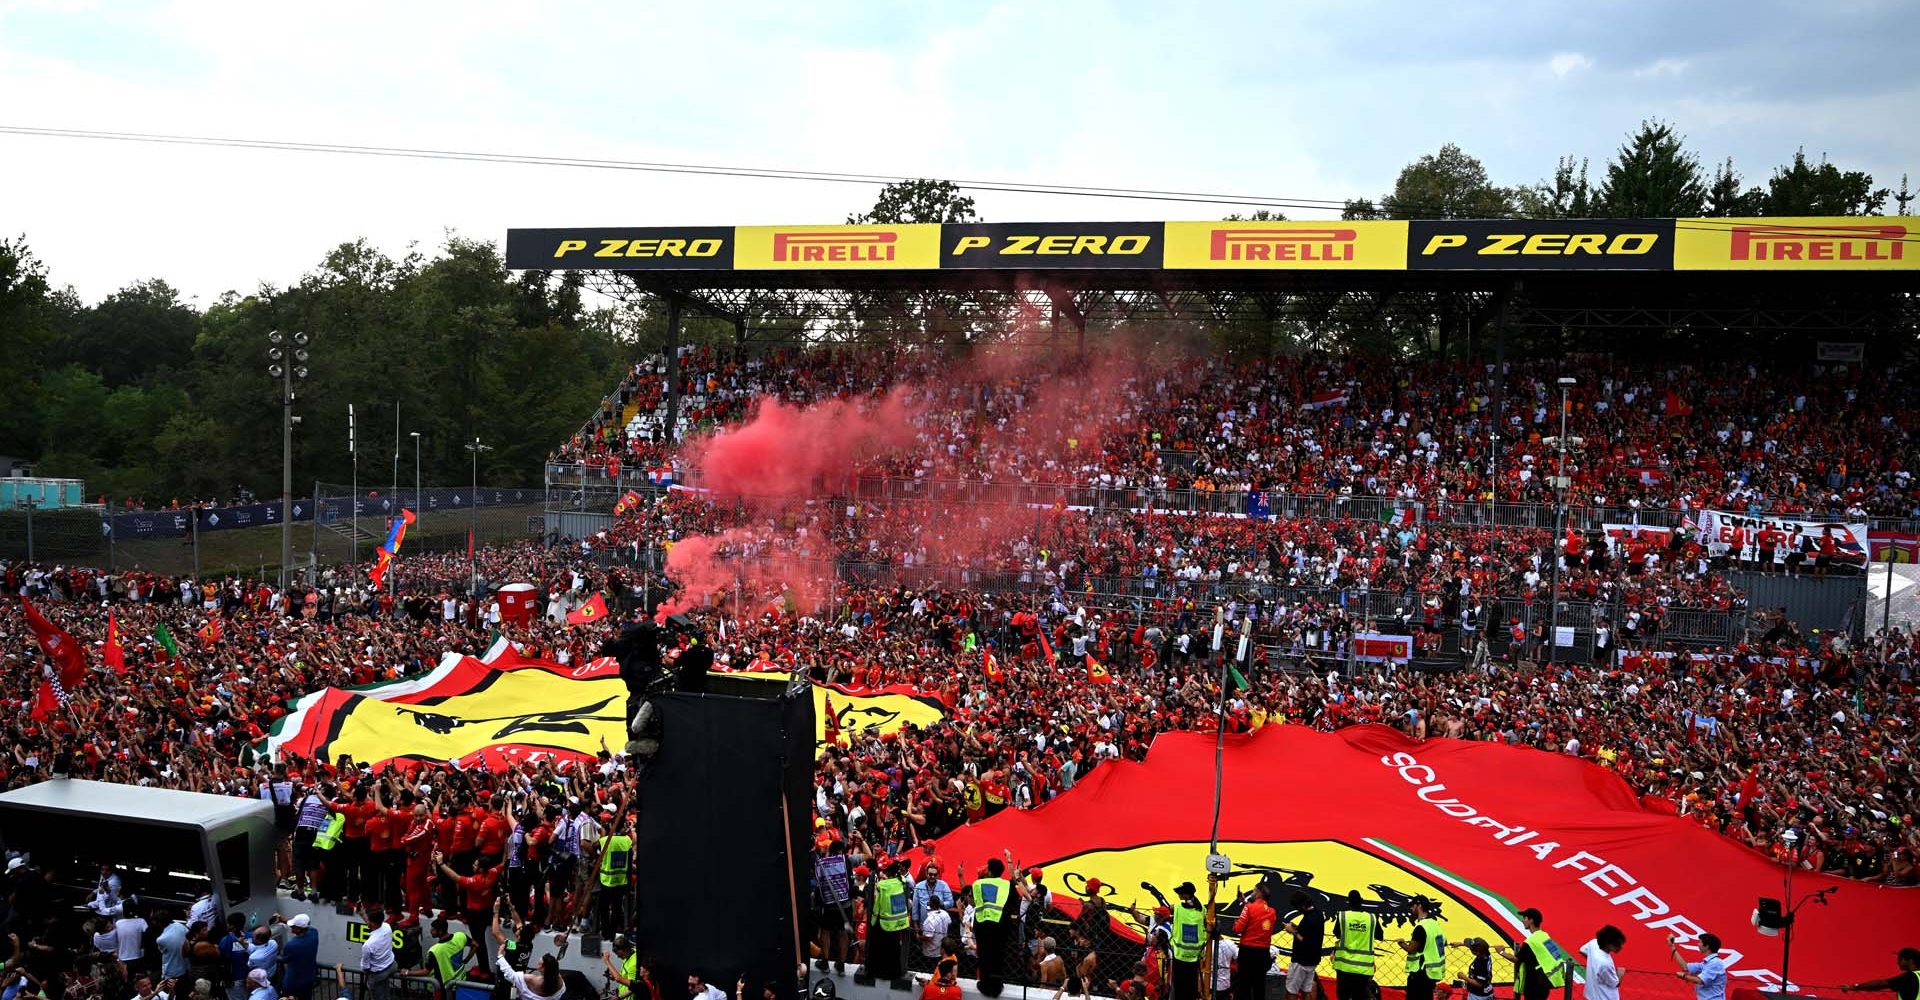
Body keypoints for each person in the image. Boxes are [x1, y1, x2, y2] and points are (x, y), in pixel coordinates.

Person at [861, 856, 911, 988]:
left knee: (877, 949)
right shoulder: (901, 881)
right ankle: (893, 973)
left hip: (884, 923)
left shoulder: (881, 885)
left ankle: (876, 972)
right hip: (898, 923)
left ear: (886, 872)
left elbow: (876, 906)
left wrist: (872, 921)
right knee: (894, 950)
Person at [1497, 909, 1568, 1000]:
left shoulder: (1530, 942)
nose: (1523, 921)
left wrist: (1501, 952)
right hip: (1546, 981)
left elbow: (1516, 959)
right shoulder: (1544, 936)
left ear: (1531, 920)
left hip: (1534, 985)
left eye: (1525, 918)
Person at [972, 857, 1018, 994]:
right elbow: (1014, 901)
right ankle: (997, 985)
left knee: (984, 954)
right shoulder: (1007, 885)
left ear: (990, 871)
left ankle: (985, 983)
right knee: (999, 954)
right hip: (1002, 925)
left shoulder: (978, 884)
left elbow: (976, 902)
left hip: (982, 924)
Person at [404, 916, 472, 1000]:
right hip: (461, 982)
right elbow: (475, 945)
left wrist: (407, 972)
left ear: (440, 931)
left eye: (433, 930)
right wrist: (466, 960)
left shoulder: (434, 951)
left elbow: (426, 972)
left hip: (445, 989)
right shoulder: (460, 936)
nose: (430, 931)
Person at [1329, 891, 1381, 1000]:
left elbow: (1337, 933)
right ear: (1361, 901)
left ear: (1348, 902)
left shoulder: (1343, 916)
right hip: (1363, 967)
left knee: (1343, 996)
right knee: (1360, 996)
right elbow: (1380, 935)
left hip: (1344, 966)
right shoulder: (1371, 918)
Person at [813, 839, 854, 975]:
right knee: (843, 933)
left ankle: (825, 962)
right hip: (845, 905)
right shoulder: (846, 860)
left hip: (828, 906)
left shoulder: (822, 863)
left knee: (825, 932)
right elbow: (867, 855)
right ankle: (841, 964)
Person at [1231, 882, 1275, 1000]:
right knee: (1259, 985)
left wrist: (1235, 924)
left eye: (1254, 891)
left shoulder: (1249, 908)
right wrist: (1244, 901)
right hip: (1263, 953)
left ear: (1259, 893)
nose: (1252, 893)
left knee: (1244, 985)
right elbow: (1258, 915)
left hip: (1248, 951)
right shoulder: (1272, 911)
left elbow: (1238, 929)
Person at [1397, 896, 1445, 1000]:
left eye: (1412, 905)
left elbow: (1411, 949)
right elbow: (1443, 942)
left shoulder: (1421, 927)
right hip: (1432, 973)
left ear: (1419, 906)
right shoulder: (1435, 924)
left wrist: (1402, 943)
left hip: (1420, 973)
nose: (1411, 908)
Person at [1168, 881, 1206, 1000]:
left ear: (1186, 895)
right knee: (1191, 989)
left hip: (1180, 956)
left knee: (1179, 989)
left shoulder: (1178, 907)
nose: (1178, 895)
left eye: (1180, 893)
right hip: (1195, 956)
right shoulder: (1202, 910)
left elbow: (1171, 910)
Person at [1838, 947, 1920, 1000]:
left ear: (1910, 961)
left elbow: (1880, 984)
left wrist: (1855, 986)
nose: (1897, 962)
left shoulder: (1909, 977)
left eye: (1900, 959)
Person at [1669, 933, 1726, 1000]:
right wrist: (1672, 947)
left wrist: (1684, 976)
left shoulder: (1715, 963)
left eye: (1700, 942)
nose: (1698, 944)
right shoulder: (1707, 963)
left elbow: (1700, 981)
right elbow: (1685, 967)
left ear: (1707, 946)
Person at [358, 905, 397, 1000]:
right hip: (392, 966)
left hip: (378, 974)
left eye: (369, 920)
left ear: (373, 923)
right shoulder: (387, 927)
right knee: (385, 991)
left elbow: (365, 967)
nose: (368, 922)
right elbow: (375, 925)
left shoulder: (368, 945)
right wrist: (362, 914)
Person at [1579, 926, 1625, 1000]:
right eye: (1617, 944)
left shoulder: (1593, 943)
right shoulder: (1605, 963)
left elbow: (1582, 950)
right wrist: (1620, 973)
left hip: (1591, 995)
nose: (1620, 947)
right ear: (1608, 944)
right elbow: (1615, 983)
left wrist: (1593, 963)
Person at [279, 915, 319, 1000]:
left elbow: (285, 959)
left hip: (293, 982)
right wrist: (285, 921)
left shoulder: (291, 945)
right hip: (309, 978)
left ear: (298, 929)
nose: (291, 928)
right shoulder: (314, 933)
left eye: (293, 926)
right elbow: (308, 928)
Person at [601, 936, 647, 1000]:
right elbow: (625, 977)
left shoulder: (634, 963)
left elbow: (634, 987)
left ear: (625, 949)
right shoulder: (629, 954)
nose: (618, 956)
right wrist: (615, 976)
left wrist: (607, 961)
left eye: (620, 954)